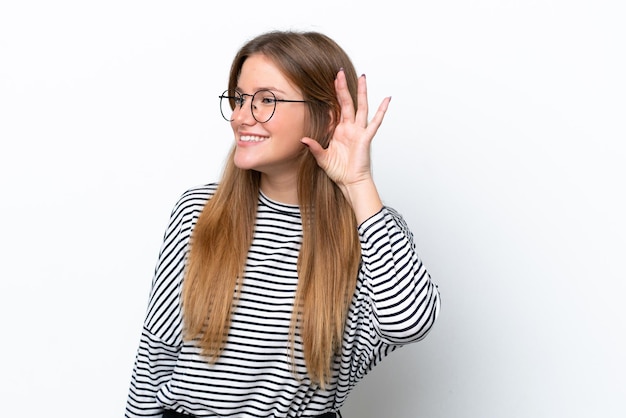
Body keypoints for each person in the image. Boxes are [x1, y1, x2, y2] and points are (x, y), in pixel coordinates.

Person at [125, 30, 441, 418]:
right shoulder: (198, 211)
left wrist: (358, 184)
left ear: (326, 117)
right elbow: (155, 353)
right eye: (239, 99)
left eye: (266, 101)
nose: (241, 116)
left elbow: (409, 324)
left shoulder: (369, 230)